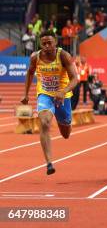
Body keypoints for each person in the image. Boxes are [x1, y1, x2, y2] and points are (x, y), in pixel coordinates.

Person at [21, 30, 79, 175]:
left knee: (65, 133)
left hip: (63, 96)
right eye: (44, 43)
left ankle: (65, 121)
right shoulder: (35, 57)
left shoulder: (64, 56)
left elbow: (75, 78)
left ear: (55, 42)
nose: (46, 46)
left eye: (49, 43)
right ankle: (49, 163)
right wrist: (26, 94)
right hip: (45, 94)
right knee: (44, 122)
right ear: (40, 44)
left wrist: (63, 91)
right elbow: (29, 73)